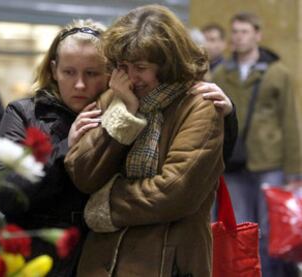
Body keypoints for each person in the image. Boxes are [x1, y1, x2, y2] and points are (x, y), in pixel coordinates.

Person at [0, 17, 235, 277]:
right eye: (69, 72)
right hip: (46, 254)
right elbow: (7, 190)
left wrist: (229, 117)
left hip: (131, 253)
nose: (79, 84)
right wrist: (67, 147)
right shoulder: (28, 112)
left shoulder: (125, 100)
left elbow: (190, 178)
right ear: (54, 70)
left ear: (109, 73)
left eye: (92, 73)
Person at [65, 5, 225, 276]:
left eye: (141, 67)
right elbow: (84, 175)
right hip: (101, 262)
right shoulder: (116, 97)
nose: (131, 77)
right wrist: (125, 113)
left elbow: (174, 192)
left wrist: (105, 203)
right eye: (123, 67)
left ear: (167, 64)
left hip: (167, 261)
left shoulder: (198, 105)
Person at [212, 12, 301, 277]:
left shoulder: (277, 73)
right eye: (235, 32)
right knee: (240, 228)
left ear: (257, 35)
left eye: (244, 31)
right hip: (234, 162)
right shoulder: (220, 73)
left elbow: (289, 120)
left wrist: (294, 171)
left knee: (270, 229)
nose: (238, 37)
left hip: (269, 160)